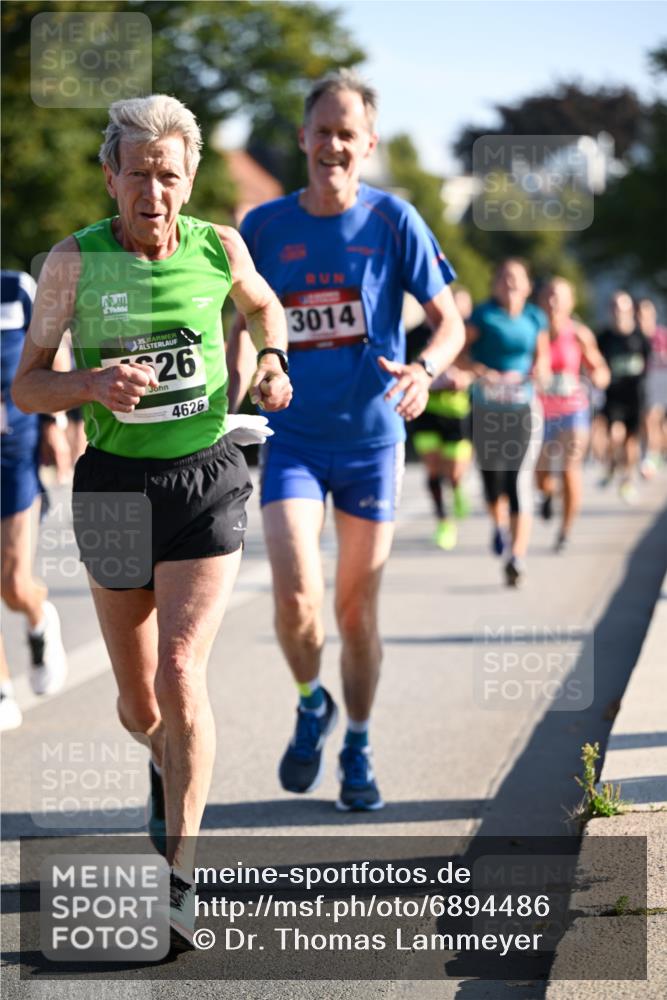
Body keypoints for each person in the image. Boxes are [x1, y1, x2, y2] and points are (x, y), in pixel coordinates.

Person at [12, 95, 292, 947]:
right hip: (111, 487)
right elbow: (26, 383)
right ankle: (159, 760)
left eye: (169, 175)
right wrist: (88, 386)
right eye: (138, 175)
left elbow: (262, 307)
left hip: (204, 476)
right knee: (140, 706)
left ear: (190, 178)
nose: (155, 192)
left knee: (180, 671)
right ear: (111, 177)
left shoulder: (220, 246)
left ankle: (181, 878)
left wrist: (272, 359)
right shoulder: (73, 262)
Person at [227, 70, 464, 811]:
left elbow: (449, 321)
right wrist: (241, 387)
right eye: (320, 130)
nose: (332, 144)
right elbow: (239, 325)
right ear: (302, 138)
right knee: (297, 595)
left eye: (346, 133)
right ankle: (309, 703)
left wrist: (425, 369)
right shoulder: (264, 226)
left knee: (356, 609)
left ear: (368, 144)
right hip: (292, 438)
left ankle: (357, 746)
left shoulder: (395, 221)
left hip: (369, 441)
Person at [1, 269, 69, 732]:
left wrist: (54, 425)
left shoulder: (16, 289)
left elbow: (51, 360)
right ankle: (2, 688)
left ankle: (38, 611)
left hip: (13, 458)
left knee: (12, 584)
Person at [463, 259, 550, 588]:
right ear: (494, 284)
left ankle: (517, 556)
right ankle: (498, 526)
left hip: (523, 407)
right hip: (486, 410)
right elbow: (460, 352)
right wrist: (482, 372)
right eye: (503, 277)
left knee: (518, 480)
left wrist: (538, 370)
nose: (509, 283)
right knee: (491, 482)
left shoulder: (534, 317)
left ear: (527, 285)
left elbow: (541, 355)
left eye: (516, 278)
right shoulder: (483, 315)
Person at [535, 277, 609, 551]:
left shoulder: (578, 333)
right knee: (541, 474)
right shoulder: (533, 332)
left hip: (572, 410)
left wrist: (599, 376)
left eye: (559, 296)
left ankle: (565, 530)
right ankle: (546, 494)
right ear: (541, 301)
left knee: (569, 469)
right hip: (538, 412)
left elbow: (599, 367)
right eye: (549, 296)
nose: (553, 302)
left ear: (570, 302)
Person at [410, 286, 473, 550]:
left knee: (455, 471)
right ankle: (444, 521)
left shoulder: (467, 335)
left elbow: (478, 369)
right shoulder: (413, 336)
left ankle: (457, 489)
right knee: (433, 467)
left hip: (457, 412)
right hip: (426, 409)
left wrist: (465, 378)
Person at [596, 290, 651, 503]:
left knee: (631, 443)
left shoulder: (640, 338)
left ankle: (626, 480)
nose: (619, 312)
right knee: (614, 435)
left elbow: (647, 365)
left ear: (630, 310)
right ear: (610, 310)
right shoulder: (604, 338)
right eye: (615, 307)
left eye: (623, 307)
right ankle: (611, 465)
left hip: (635, 396)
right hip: (613, 396)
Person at [636, 298, 667, 477]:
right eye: (639, 315)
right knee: (648, 419)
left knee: (658, 421)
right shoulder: (635, 337)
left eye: (646, 315)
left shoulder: (661, 336)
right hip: (643, 383)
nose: (642, 319)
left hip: (662, 381)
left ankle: (654, 455)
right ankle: (652, 455)